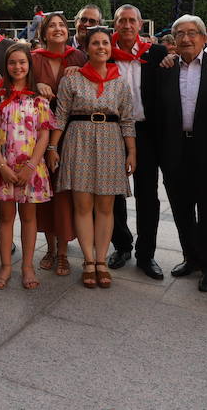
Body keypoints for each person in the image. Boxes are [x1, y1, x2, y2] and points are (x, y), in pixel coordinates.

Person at [47, 27, 135, 289]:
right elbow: (60, 116)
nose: (101, 47)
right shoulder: (71, 80)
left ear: (110, 47)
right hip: (79, 140)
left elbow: (128, 120)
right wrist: (53, 148)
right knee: (83, 205)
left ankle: (101, 260)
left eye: (105, 43)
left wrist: (132, 151)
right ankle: (87, 260)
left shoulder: (120, 82)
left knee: (105, 207)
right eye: (95, 43)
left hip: (111, 141)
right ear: (86, 48)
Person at [154, 15, 207, 292]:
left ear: (203, 36)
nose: (186, 39)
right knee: (181, 208)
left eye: (192, 33)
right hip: (175, 149)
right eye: (180, 34)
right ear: (174, 40)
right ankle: (192, 258)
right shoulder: (165, 68)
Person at [0, 43, 53, 290]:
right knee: (4, 217)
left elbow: (44, 135)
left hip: (30, 168)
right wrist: (1, 165)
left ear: (29, 66)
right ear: (6, 66)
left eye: (22, 62)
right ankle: (5, 266)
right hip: (3, 167)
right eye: (12, 63)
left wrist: (31, 166)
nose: (17, 67)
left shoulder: (38, 99)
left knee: (29, 217)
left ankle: (27, 266)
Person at [107, 5, 167, 279]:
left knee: (147, 195)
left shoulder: (156, 54)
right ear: (115, 25)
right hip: (112, 132)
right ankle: (121, 245)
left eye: (132, 21)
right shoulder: (104, 54)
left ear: (141, 25)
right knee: (113, 194)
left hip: (147, 133)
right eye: (122, 21)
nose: (127, 25)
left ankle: (146, 254)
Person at [31, 13, 87, 276]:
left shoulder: (79, 58)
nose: (57, 29)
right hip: (39, 135)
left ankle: (63, 252)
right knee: (45, 192)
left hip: (69, 136)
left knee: (64, 193)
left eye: (61, 25)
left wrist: (81, 73)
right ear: (43, 32)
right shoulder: (35, 59)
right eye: (51, 25)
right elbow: (19, 85)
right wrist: (35, 85)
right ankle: (50, 248)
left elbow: (92, 83)